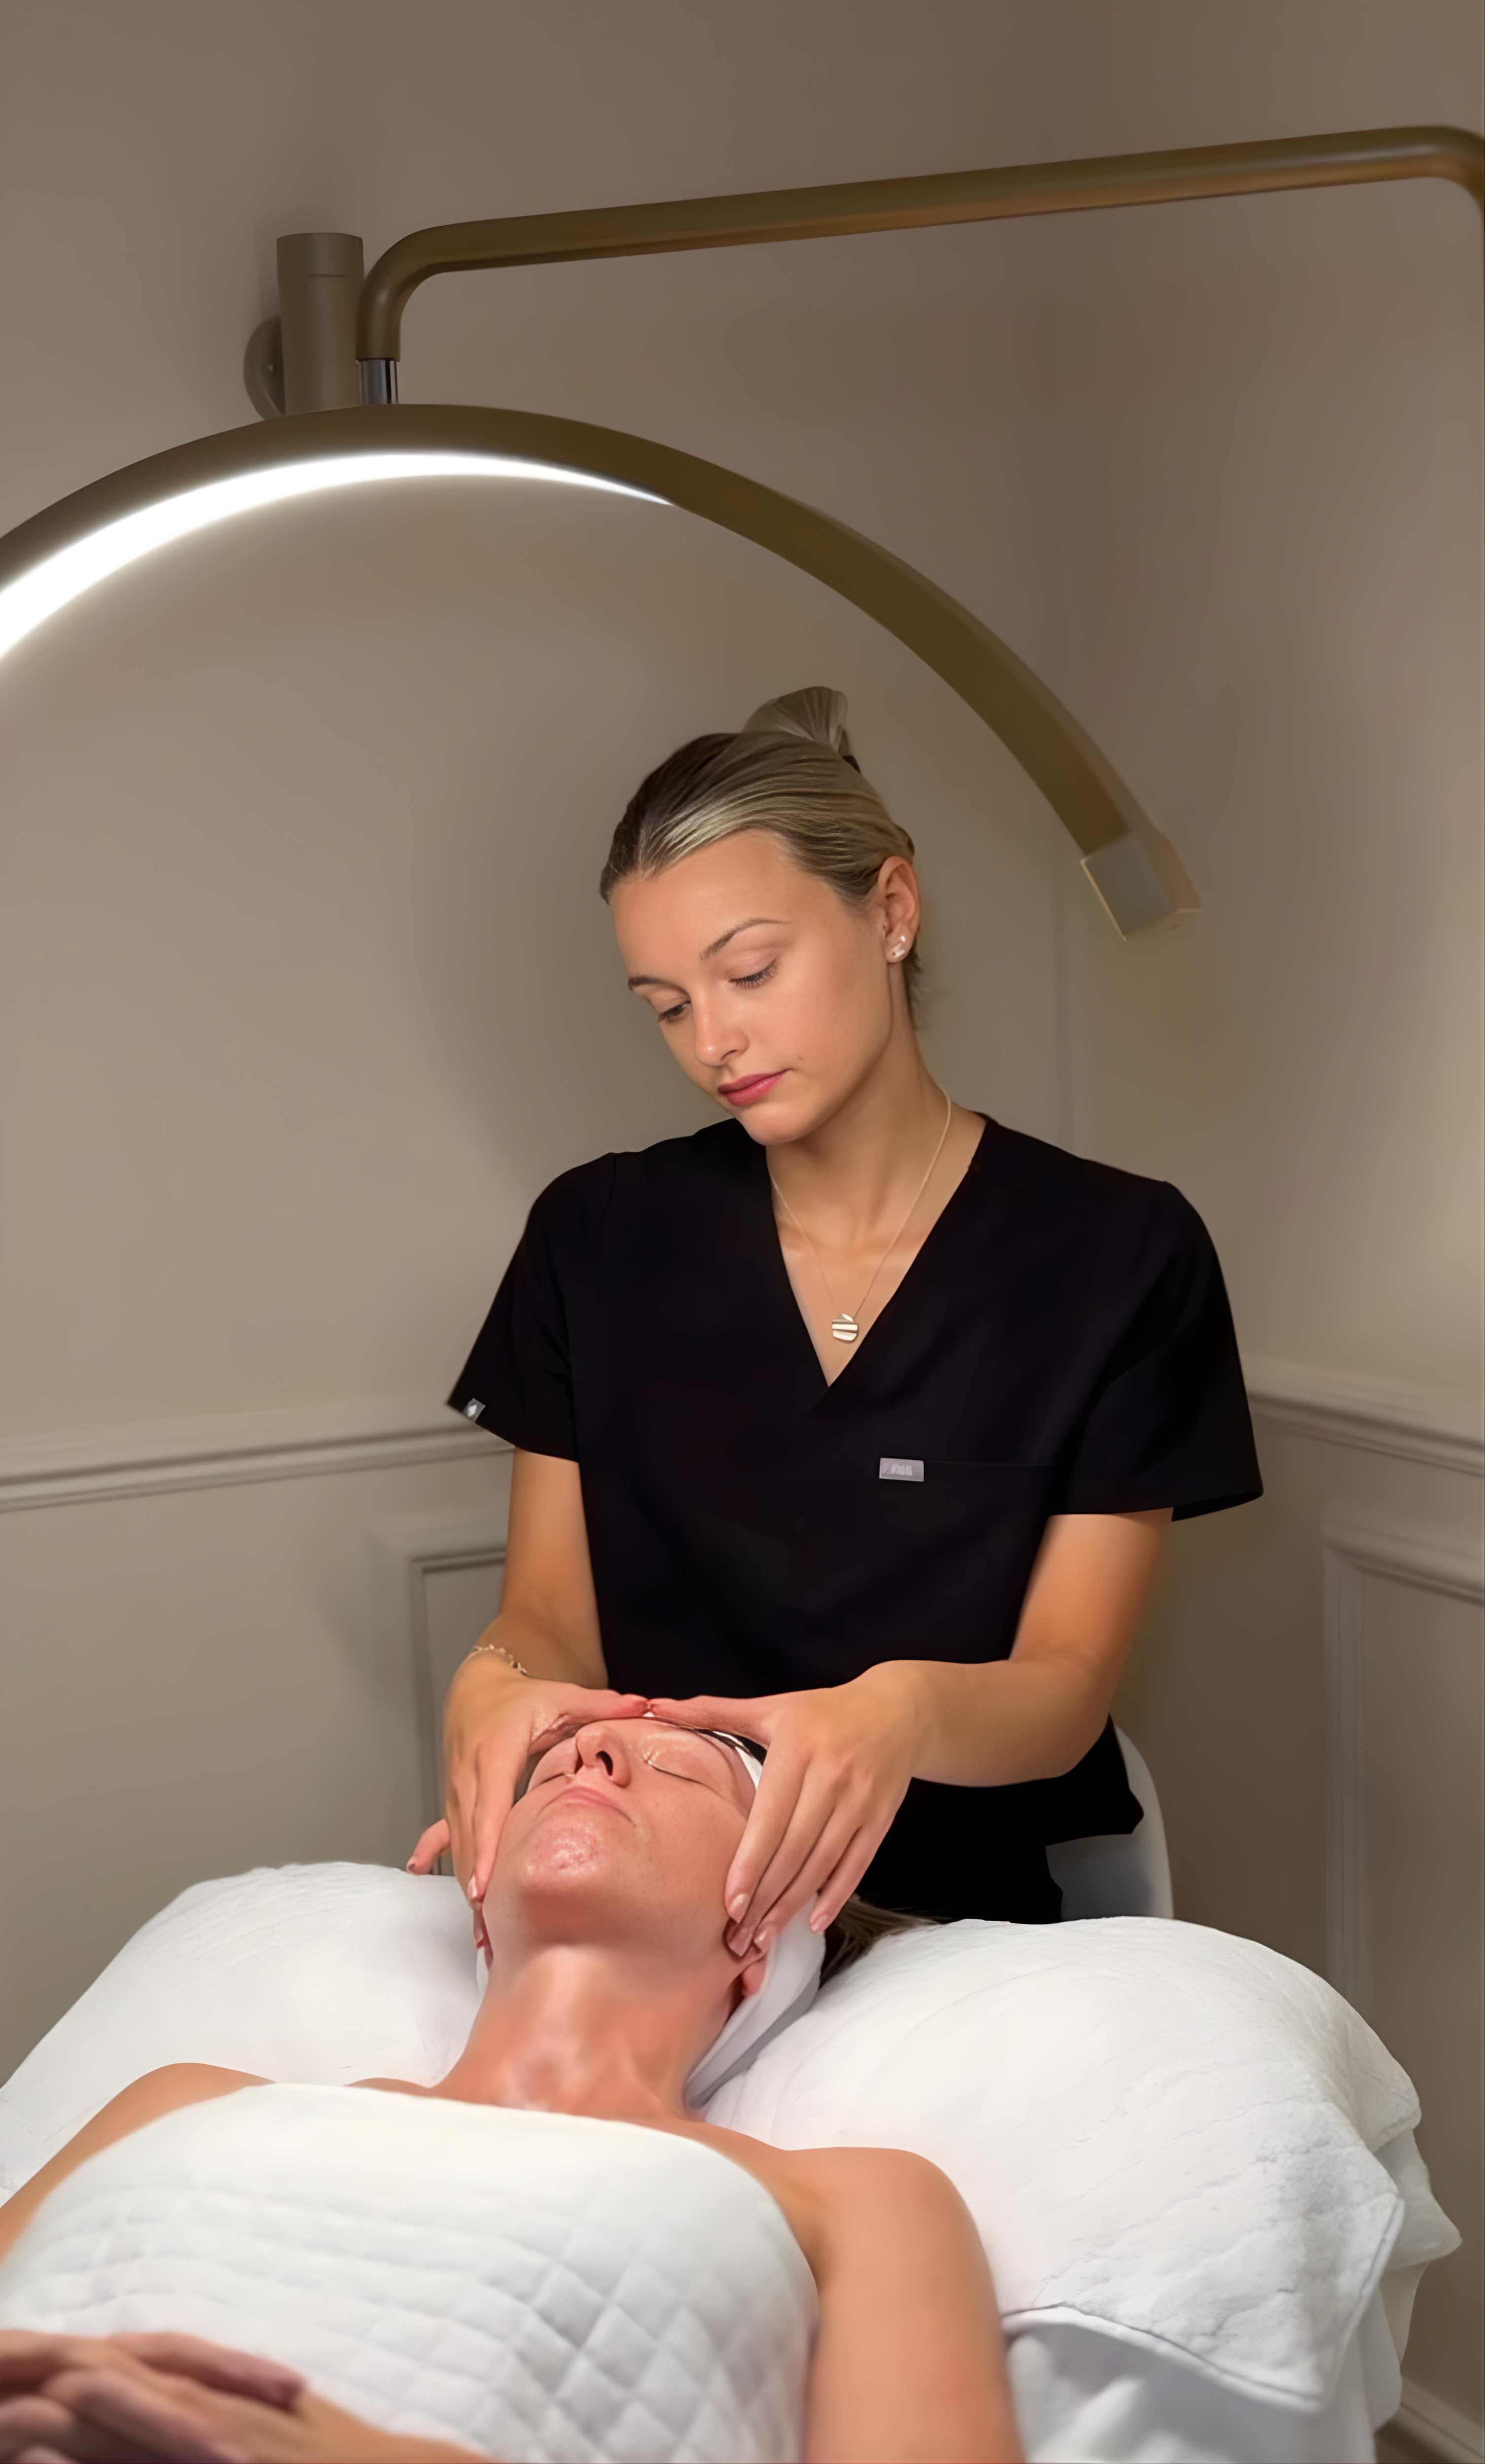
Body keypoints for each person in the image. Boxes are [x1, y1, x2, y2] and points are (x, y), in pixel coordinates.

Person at [415, 687, 1261, 1957]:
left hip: (954, 1928)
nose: (716, 1038)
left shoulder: (1120, 1256)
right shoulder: (594, 1237)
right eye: (666, 1003)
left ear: (893, 910)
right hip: (663, 1931)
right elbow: (548, 1617)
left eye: (751, 970)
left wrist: (899, 1715)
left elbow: (1066, 1690)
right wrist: (499, 1681)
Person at [0, 1716, 1021, 2464]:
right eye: (562, 1756)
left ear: (762, 1947)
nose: (592, 1751)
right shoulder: (184, 2099)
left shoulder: (857, 2202)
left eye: (683, 1771)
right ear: (480, 1917)